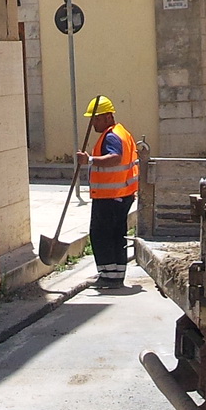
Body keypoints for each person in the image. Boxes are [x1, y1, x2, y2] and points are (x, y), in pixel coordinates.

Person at [76, 96, 140, 288]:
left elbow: (115, 158)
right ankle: (115, 275)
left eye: (96, 119)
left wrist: (89, 160)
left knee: (101, 234)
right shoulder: (122, 133)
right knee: (116, 235)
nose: (93, 123)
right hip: (120, 194)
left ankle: (108, 276)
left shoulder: (112, 136)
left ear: (107, 117)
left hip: (110, 197)